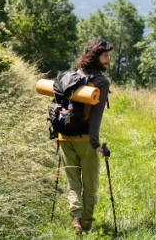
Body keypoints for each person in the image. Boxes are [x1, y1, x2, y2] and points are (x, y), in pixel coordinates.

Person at [60, 39, 113, 234]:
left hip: (64, 137)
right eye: (105, 56)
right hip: (84, 140)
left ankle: (76, 218)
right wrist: (96, 144)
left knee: (73, 182)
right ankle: (87, 225)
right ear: (95, 57)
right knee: (89, 185)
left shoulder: (72, 75)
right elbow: (96, 117)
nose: (107, 60)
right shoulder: (101, 82)